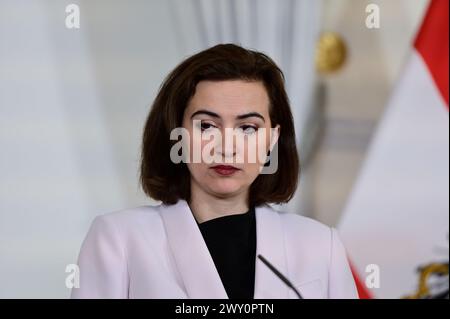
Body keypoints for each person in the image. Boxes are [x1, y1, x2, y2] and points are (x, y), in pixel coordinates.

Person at [71, 44, 358, 299]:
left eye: (248, 128)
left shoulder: (321, 246)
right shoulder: (119, 239)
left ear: (271, 139)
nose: (226, 148)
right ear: (178, 134)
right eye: (207, 125)